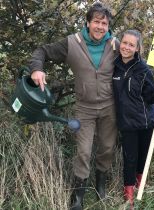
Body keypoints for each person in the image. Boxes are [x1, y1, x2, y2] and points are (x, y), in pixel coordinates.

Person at [28, 2, 119, 209]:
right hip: (84, 109)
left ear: (108, 26)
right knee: (84, 151)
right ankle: (78, 196)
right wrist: (36, 69)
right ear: (88, 23)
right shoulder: (72, 43)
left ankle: (101, 186)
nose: (100, 27)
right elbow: (42, 51)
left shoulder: (115, 44)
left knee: (106, 148)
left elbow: (134, 61)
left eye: (104, 23)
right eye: (96, 22)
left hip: (109, 107)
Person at [112, 29, 154, 208]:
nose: (127, 47)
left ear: (138, 48)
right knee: (129, 157)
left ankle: (140, 182)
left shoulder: (144, 69)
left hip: (146, 121)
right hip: (126, 122)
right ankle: (128, 192)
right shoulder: (113, 66)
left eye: (131, 45)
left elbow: (152, 97)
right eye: (124, 43)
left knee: (142, 156)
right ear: (119, 44)